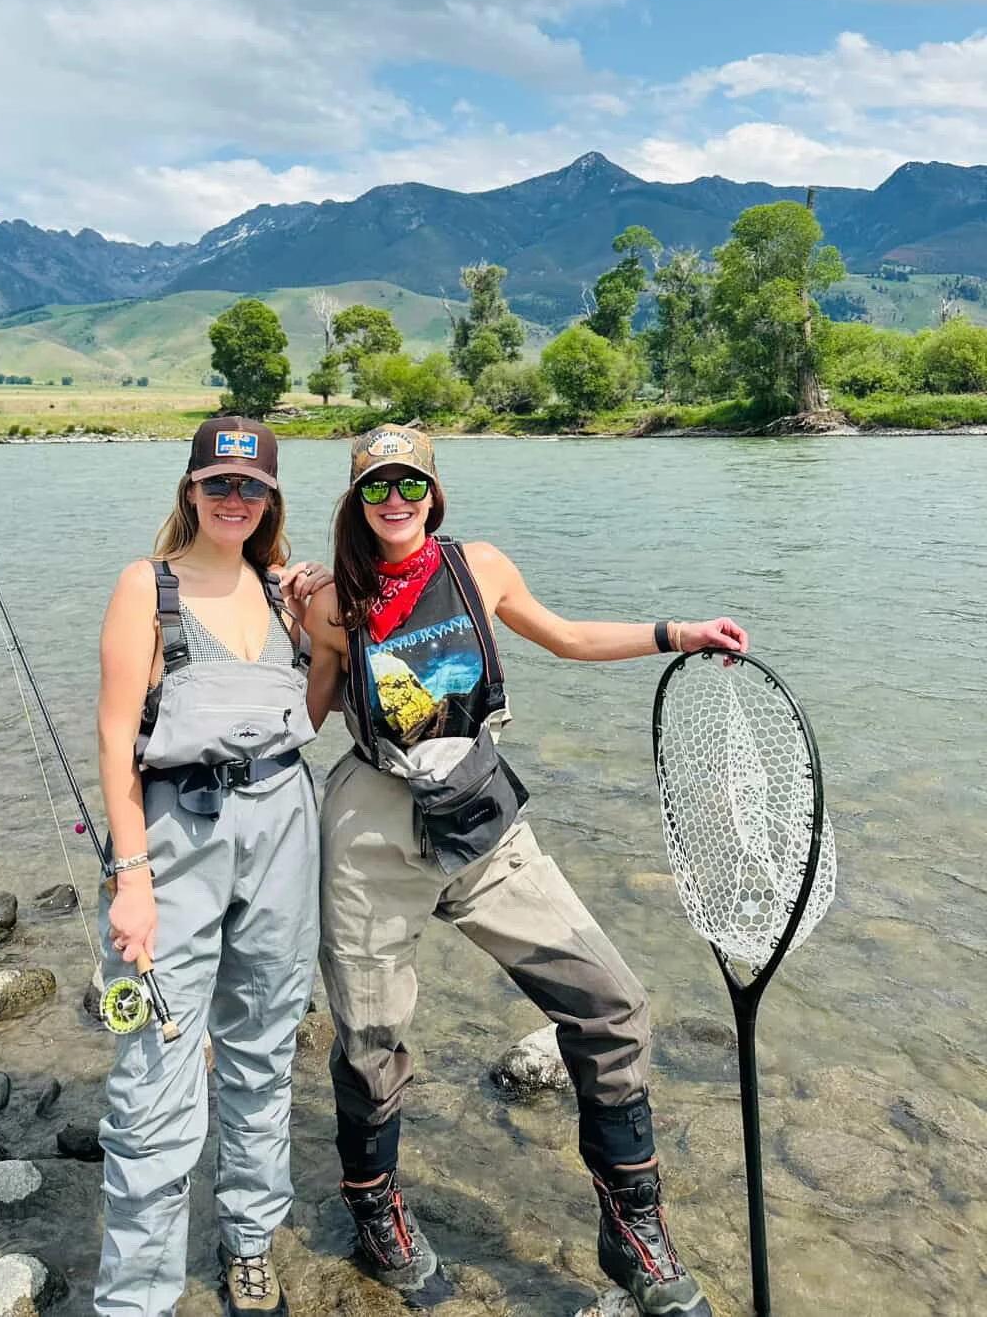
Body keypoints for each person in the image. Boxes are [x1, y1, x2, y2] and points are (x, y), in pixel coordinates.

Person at [304, 424, 749, 1317]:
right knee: (369, 1037)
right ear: (356, 501)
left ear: (435, 492)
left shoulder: (481, 567)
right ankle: (376, 1210)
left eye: (410, 485)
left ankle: (632, 1229)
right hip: (371, 837)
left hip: (483, 825)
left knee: (612, 1004)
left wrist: (679, 632)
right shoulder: (330, 601)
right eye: (377, 489)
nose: (396, 502)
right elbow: (302, 716)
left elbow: (569, 638)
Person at [96, 416, 328, 1317]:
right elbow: (118, 739)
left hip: (283, 826)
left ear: (270, 501)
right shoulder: (143, 588)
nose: (234, 500)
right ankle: (137, 1296)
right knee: (155, 1066)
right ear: (190, 491)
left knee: (264, 1050)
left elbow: (321, 702)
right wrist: (132, 876)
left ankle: (249, 1242)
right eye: (217, 484)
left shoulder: (285, 597)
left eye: (252, 488)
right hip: (177, 837)